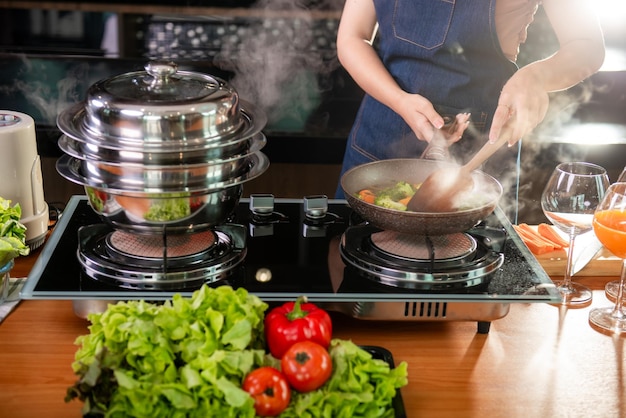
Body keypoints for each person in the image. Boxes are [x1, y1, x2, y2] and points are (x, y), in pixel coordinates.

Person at [334, 0, 606, 221]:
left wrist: (537, 77)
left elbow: (588, 46)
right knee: (353, 261)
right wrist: (399, 100)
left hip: (481, 153)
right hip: (377, 140)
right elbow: (352, 37)